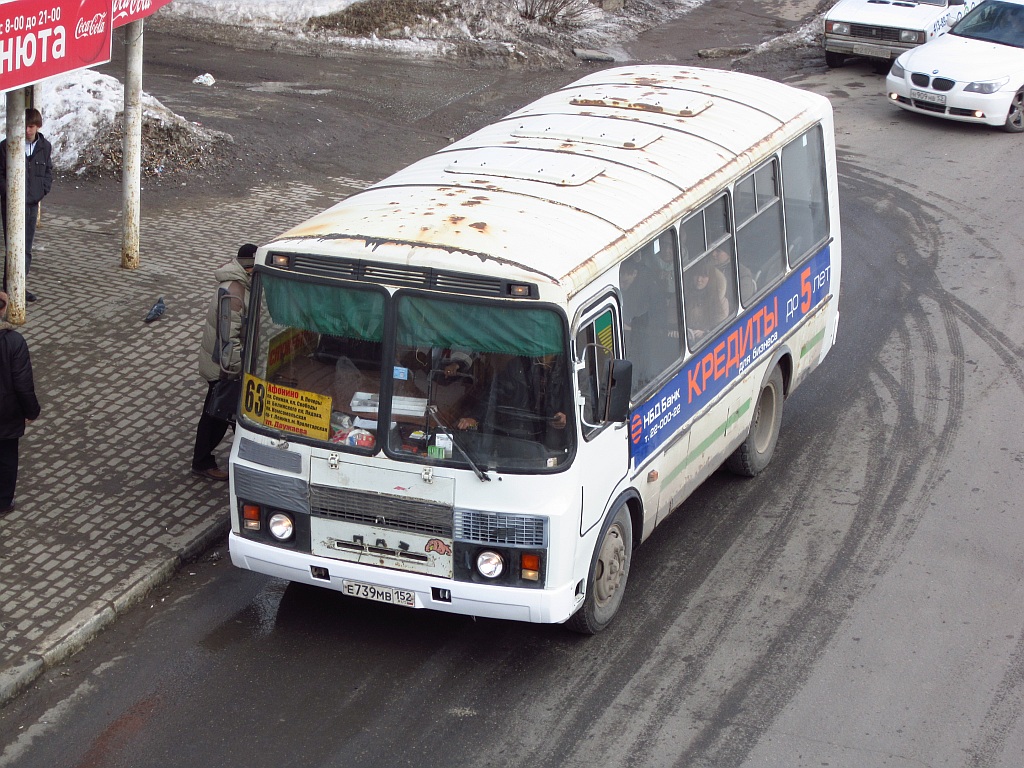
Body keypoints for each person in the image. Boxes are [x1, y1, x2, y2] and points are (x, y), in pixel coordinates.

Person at [191, 244, 257, 481]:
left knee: (225, 414)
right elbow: (229, 339)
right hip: (224, 369)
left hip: (225, 366)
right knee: (217, 416)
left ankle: (244, 460)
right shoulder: (233, 294)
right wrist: (236, 372)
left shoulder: (240, 287)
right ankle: (202, 462)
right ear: (250, 268)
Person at [457, 354, 569, 449]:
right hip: (518, 434)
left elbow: (585, 404)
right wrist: (475, 417)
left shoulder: (570, 367)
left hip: (555, 443)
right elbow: (494, 393)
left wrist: (567, 417)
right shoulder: (518, 365)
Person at [1, 109, 53, 303]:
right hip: (12, 204)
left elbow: (48, 170)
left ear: (37, 126)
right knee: (12, 245)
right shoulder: (7, 146)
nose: (27, 130)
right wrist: (10, 192)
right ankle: (9, 287)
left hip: (31, 204)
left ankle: (20, 284)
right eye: (25, 126)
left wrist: (41, 190)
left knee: (27, 247)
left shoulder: (44, 147)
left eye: (31, 126)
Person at [0, 291, 41, 514]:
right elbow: (23, 383)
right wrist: (31, 411)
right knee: (6, 457)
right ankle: (3, 501)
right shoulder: (13, 342)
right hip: (6, 413)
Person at [685, 258, 730, 344]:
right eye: (696, 275)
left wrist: (704, 333)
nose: (699, 279)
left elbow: (721, 331)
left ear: (711, 279)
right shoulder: (683, 297)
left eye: (704, 276)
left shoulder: (721, 302)